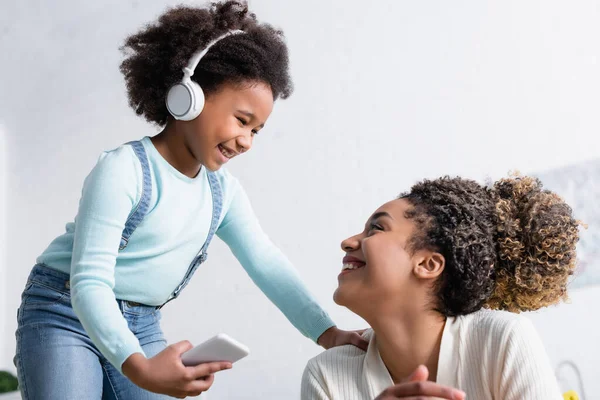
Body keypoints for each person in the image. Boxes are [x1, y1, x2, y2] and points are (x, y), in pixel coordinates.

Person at [14, 2, 366, 399]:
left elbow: (266, 262)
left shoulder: (222, 192)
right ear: (190, 98)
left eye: (258, 130)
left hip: (140, 323)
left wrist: (327, 332)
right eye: (242, 120)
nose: (247, 141)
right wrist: (140, 367)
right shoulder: (122, 170)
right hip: (66, 311)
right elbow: (89, 282)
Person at [301, 175, 579, 400]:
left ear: (428, 264)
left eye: (376, 229)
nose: (348, 242)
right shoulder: (327, 375)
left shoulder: (501, 340)